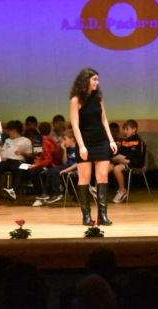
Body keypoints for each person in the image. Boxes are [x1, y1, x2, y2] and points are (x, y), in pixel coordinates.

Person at [69, 67, 118, 226]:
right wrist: (82, 146)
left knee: (102, 176)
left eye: (97, 79)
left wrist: (111, 140)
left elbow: (104, 120)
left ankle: (102, 215)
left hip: (101, 142)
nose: (97, 82)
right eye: (94, 79)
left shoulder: (98, 98)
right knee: (84, 177)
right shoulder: (76, 100)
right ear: (86, 81)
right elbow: (75, 125)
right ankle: (86, 215)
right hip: (85, 143)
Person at [111, 119, 146, 203]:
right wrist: (115, 159)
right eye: (124, 129)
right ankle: (98, 189)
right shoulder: (124, 142)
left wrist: (128, 161)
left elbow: (140, 160)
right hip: (122, 163)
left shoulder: (139, 142)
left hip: (133, 164)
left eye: (127, 129)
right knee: (107, 166)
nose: (125, 131)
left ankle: (122, 190)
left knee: (117, 169)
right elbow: (120, 155)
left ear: (134, 129)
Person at [28, 121, 60, 206]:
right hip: (52, 163)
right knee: (33, 169)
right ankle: (43, 193)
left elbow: (48, 160)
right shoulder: (50, 139)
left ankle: (42, 194)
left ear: (38, 130)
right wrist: (37, 163)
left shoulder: (46, 141)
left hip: (51, 165)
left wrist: (37, 165)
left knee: (32, 172)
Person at [0, 119, 33, 201]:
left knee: (20, 169)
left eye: (9, 131)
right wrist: (2, 156)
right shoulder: (7, 140)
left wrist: (23, 153)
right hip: (7, 160)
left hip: (18, 161)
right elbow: (3, 151)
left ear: (14, 131)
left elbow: (30, 156)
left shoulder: (26, 141)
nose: (8, 133)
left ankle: (13, 191)